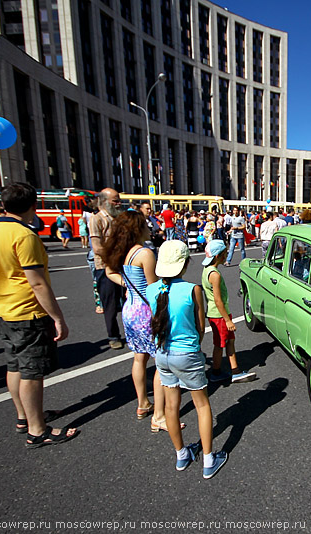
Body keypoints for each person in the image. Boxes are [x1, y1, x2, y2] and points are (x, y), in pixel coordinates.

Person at [0, 182, 78, 446]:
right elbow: (36, 282)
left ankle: (24, 416)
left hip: (2, 309)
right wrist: (58, 317)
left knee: (15, 366)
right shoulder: (25, 236)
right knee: (32, 372)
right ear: (33, 206)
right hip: (26, 311)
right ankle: (38, 430)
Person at [148, 240, 228, 479]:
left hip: (162, 353)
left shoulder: (152, 289)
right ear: (184, 264)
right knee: (202, 405)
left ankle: (181, 455)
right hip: (187, 353)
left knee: (171, 406)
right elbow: (201, 327)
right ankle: (208, 459)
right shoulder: (193, 289)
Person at [102, 211, 177, 430]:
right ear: (137, 229)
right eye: (145, 225)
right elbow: (153, 287)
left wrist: (127, 285)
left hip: (130, 309)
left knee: (139, 358)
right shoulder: (145, 253)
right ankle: (160, 415)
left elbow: (108, 272)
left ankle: (143, 403)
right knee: (160, 360)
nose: (149, 227)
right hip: (146, 310)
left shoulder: (121, 250)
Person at [201, 240, 257, 384]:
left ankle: (235, 370)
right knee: (220, 344)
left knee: (230, 340)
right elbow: (218, 300)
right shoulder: (215, 275)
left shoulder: (207, 269)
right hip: (219, 315)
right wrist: (227, 320)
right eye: (225, 253)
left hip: (219, 313)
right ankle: (216, 372)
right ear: (218, 255)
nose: (227, 255)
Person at [90, 188, 125, 349]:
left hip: (122, 265)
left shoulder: (119, 218)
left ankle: (132, 332)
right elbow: (97, 247)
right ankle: (113, 336)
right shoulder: (97, 219)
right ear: (104, 202)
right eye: (115, 201)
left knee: (128, 301)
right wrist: (114, 257)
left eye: (119, 200)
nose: (119, 204)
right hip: (105, 267)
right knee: (109, 304)